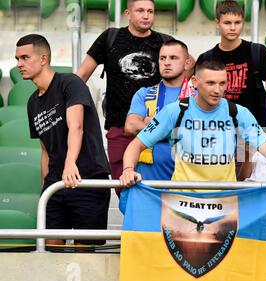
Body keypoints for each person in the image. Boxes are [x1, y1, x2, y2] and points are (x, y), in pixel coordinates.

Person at [119, 58, 266, 188]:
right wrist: (128, 170)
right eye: (210, 83)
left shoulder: (238, 113)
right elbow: (135, 146)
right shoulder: (175, 110)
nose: (217, 90)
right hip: (181, 200)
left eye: (222, 83)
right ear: (194, 81)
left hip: (223, 202)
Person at [16, 34, 111, 246]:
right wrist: (45, 187)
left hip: (87, 180)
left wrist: (70, 163)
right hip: (56, 186)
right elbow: (44, 149)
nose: (19, 64)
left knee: (84, 255)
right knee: (50, 250)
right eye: (17, 59)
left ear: (43, 59)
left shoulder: (70, 83)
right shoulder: (32, 102)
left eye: (25, 58)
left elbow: (76, 126)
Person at [76, 0, 173, 186]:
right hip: (119, 128)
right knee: (124, 189)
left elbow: (188, 67)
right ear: (127, 13)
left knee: (155, 189)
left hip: (155, 130)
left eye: (150, 11)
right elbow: (81, 75)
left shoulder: (164, 42)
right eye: (141, 11)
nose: (146, 15)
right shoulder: (110, 37)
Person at [196, 0, 266, 128]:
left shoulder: (258, 51)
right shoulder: (206, 58)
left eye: (237, 23)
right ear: (217, 23)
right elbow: (198, 97)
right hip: (216, 129)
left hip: (254, 129)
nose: (233, 28)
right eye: (227, 23)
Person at [125, 39, 195, 180]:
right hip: (147, 179)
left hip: (187, 180)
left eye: (173, 58)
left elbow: (199, 133)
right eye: (162, 58)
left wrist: (153, 125)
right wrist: (175, 130)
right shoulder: (144, 93)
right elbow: (131, 127)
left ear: (187, 63)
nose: (166, 62)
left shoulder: (198, 96)